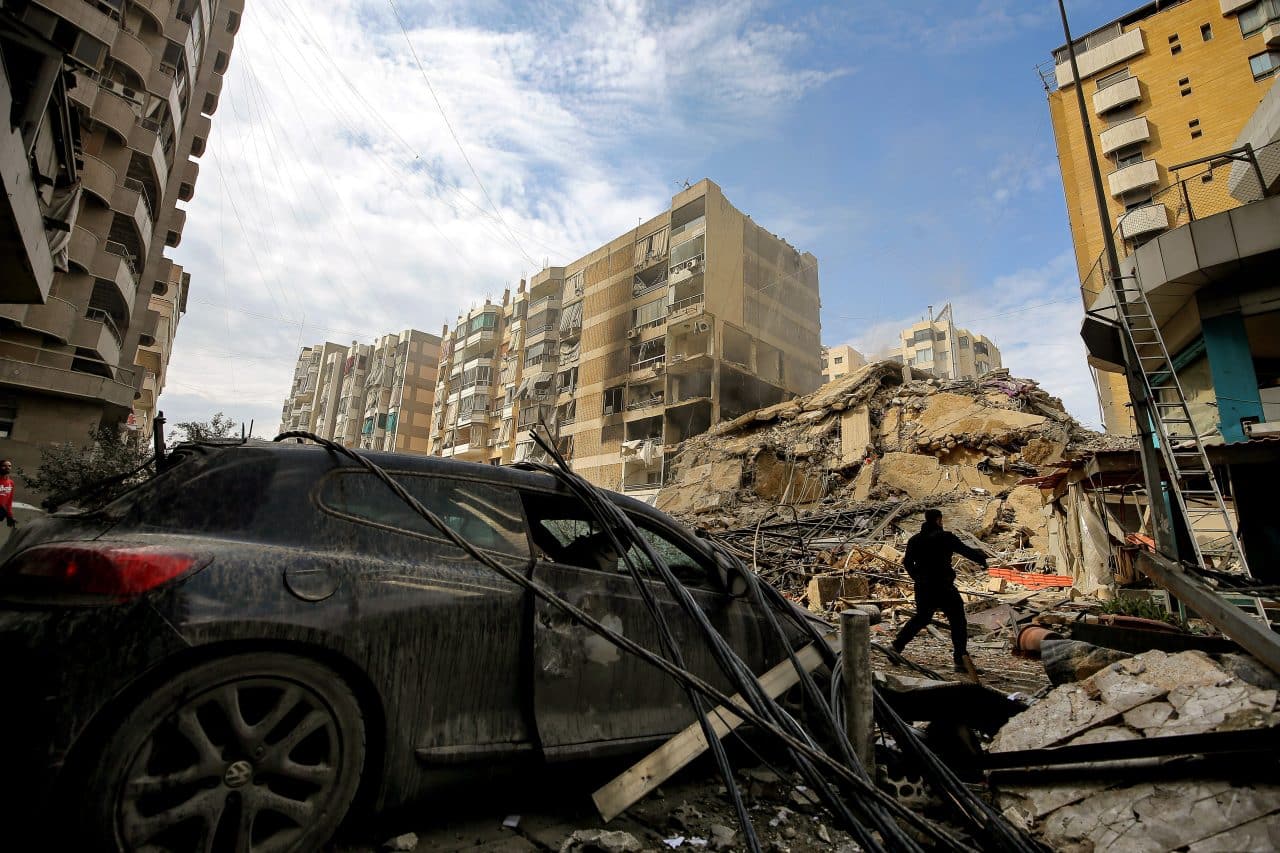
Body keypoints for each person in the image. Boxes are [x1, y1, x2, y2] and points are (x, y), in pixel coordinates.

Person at [891, 508, 987, 672]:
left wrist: (918, 578)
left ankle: (895, 647)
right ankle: (960, 659)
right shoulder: (946, 537)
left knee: (921, 618)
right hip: (943, 586)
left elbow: (907, 563)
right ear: (938, 520)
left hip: (923, 587)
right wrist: (982, 560)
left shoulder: (915, 540)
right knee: (958, 621)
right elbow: (965, 550)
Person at [0, 459, 16, 529]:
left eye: (9, 466)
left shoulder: (11, 483)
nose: (7, 467)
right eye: (4, 466)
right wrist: (7, 515)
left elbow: (9, 502)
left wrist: (10, 515)